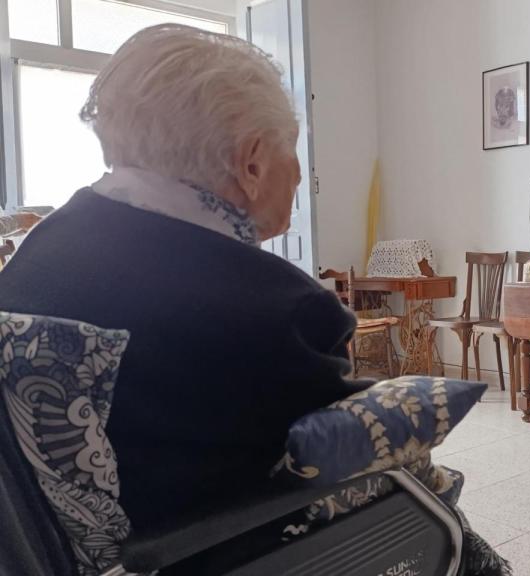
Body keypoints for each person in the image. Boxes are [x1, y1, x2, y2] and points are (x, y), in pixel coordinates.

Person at [0, 24, 371, 532]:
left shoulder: (39, 251)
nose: (301, 176)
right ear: (253, 161)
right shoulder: (280, 309)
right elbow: (345, 461)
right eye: (295, 150)